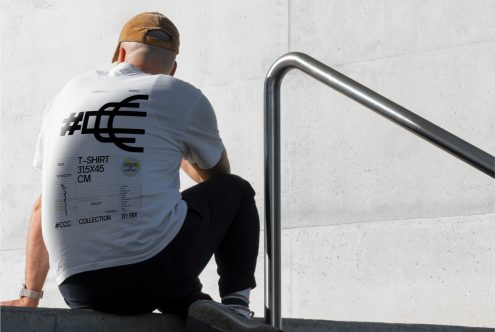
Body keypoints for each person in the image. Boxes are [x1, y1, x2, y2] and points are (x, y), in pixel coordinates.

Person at [1, 12, 278, 332]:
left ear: (119, 53)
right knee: (236, 190)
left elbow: (42, 204)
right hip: (152, 274)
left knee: (151, 252)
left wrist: (30, 296)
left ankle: (194, 303)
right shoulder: (178, 93)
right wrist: (173, 147)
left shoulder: (68, 94)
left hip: (78, 287)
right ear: (173, 68)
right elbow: (215, 179)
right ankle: (236, 308)